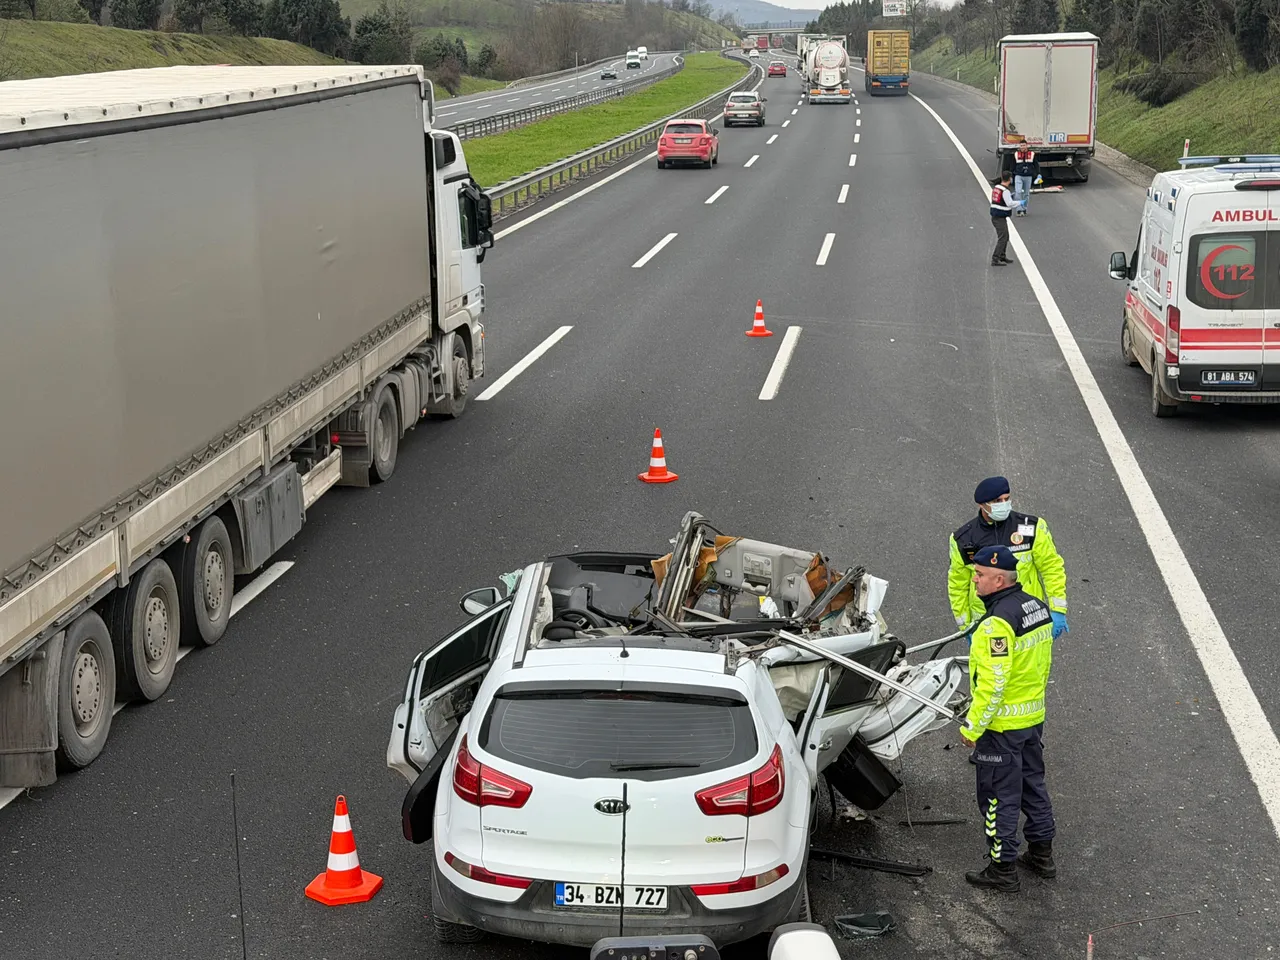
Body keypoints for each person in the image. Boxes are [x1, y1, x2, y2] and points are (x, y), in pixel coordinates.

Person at [959, 545, 1057, 892]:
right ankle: (1042, 854)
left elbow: (993, 683)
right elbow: (1039, 665)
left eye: (980, 575)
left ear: (999, 579)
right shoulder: (1036, 607)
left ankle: (1002, 869)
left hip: (1001, 727)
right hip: (1032, 717)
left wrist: (973, 726)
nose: (974, 579)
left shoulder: (996, 624)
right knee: (1033, 784)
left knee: (998, 796)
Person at [948, 476, 1068, 639]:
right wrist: (965, 627)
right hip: (987, 622)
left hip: (1028, 616)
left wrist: (1057, 610)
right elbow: (957, 584)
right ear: (982, 504)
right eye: (998, 500)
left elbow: (1051, 568)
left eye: (1007, 499)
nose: (1004, 504)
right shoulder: (964, 539)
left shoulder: (1031, 527)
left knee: (1035, 663)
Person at [989, 173, 1017, 265]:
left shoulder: (997, 187)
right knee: (1003, 238)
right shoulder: (1005, 191)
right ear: (1010, 179)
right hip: (999, 217)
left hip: (996, 215)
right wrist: (1020, 203)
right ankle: (995, 258)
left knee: (1006, 236)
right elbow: (1010, 203)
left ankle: (1002, 255)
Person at [1011, 148, 1039, 216]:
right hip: (1018, 175)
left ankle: (1024, 208)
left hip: (1028, 176)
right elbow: (1012, 165)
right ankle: (1019, 209)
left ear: (1026, 146)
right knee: (1018, 192)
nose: (1022, 147)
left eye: (1024, 145)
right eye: (1021, 145)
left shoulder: (1031, 154)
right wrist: (1011, 175)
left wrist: (1038, 173)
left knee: (1026, 194)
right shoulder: (1016, 154)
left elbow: (1036, 164)